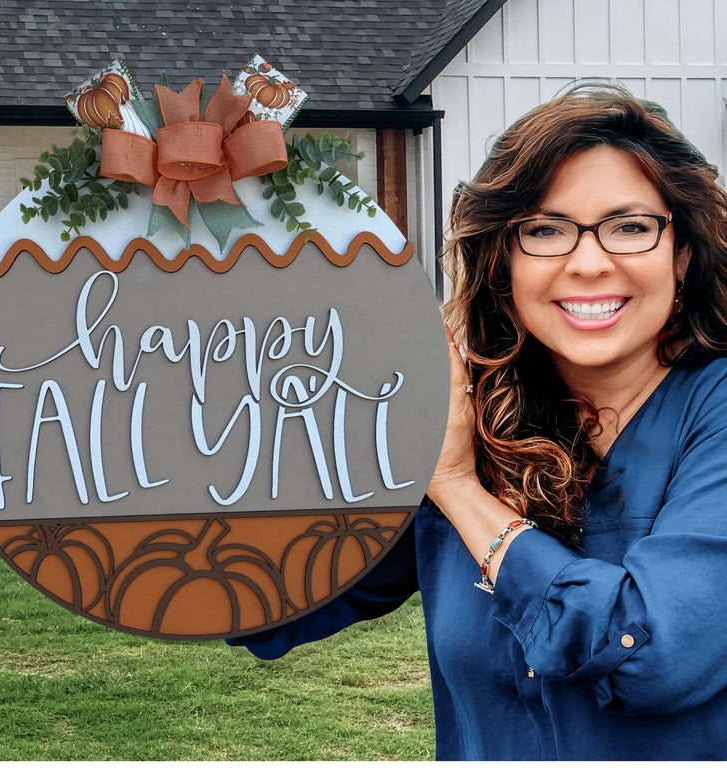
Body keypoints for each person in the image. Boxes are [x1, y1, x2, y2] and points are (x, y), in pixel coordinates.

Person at [228, 83, 727, 760]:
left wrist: (459, 488)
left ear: (684, 252)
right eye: (545, 230)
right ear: (505, 262)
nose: (587, 262)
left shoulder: (711, 414)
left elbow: (654, 655)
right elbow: (274, 595)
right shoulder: (470, 412)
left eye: (630, 226)